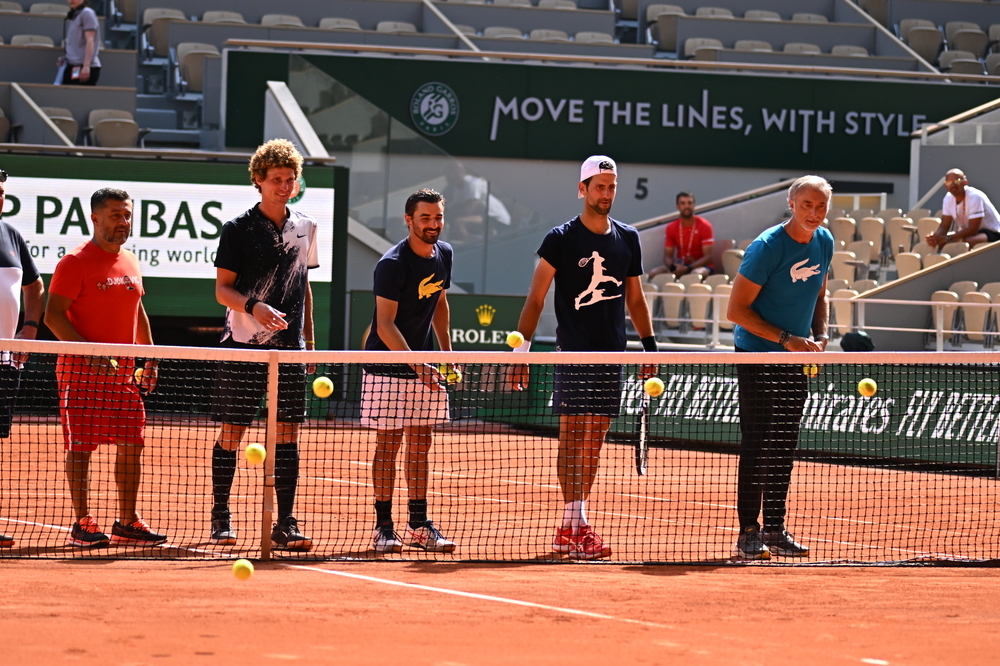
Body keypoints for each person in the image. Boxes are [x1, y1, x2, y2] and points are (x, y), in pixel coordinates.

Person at [510, 156, 656, 560]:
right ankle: (577, 522)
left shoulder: (628, 237)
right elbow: (536, 298)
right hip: (572, 351)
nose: (606, 193)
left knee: (595, 439)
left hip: (613, 354)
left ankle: (571, 527)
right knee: (573, 436)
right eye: (599, 186)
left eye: (611, 186)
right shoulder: (560, 238)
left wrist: (649, 348)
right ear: (583, 189)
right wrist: (521, 352)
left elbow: (637, 300)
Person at [209, 139, 316, 551]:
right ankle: (221, 516)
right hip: (243, 346)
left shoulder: (306, 228)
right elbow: (222, 290)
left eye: (290, 180)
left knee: (288, 433)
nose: (284, 187)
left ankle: (285, 522)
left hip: (290, 350)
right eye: (276, 180)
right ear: (258, 180)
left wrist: (309, 343)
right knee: (233, 432)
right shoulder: (236, 229)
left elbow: (304, 289)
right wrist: (254, 305)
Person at [44, 188, 164, 547]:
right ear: (95, 218)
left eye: (127, 215)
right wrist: (89, 352)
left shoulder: (131, 261)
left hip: (124, 377)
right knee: (80, 447)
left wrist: (151, 355)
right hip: (80, 376)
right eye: (115, 215)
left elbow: (136, 310)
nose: (123, 222)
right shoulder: (74, 262)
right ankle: (82, 521)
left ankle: (127, 522)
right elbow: (52, 315)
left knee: (132, 444)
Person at [727, 175, 834, 560]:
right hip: (757, 356)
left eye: (821, 206)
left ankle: (775, 529)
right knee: (756, 444)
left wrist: (821, 336)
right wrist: (787, 339)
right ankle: (748, 533)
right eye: (807, 205)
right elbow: (735, 311)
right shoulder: (767, 247)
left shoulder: (825, 241)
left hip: (794, 359)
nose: (814, 213)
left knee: (784, 445)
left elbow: (821, 295)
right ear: (791, 204)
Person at [362, 188, 457, 554]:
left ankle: (418, 525)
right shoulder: (392, 264)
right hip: (386, 367)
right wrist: (419, 365)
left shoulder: (444, 254)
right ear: (408, 219)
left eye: (437, 218)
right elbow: (385, 325)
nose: (433, 225)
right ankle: (384, 527)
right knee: (388, 445)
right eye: (425, 218)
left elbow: (440, 304)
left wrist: (446, 353)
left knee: (421, 444)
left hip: (424, 367)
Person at [0, 168, 45, 549]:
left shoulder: (11, 234)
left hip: (4, 359)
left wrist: (30, 327)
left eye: (1, 192)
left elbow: (34, 285)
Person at [925, 169, 1000, 250]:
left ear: (965, 182)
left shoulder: (975, 197)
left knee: (968, 241)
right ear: (945, 185)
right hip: (971, 233)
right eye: (949, 183)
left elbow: (973, 229)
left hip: (993, 232)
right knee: (940, 244)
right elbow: (944, 225)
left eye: (957, 181)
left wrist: (947, 238)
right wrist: (936, 237)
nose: (953, 185)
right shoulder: (948, 198)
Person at [648, 191, 715, 278]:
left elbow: (708, 257)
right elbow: (667, 255)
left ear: (694, 205)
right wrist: (673, 268)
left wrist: (688, 268)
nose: (686, 206)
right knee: (652, 273)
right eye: (683, 203)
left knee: (695, 275)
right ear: (677, 206)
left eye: (689, 203)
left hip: (700, 267)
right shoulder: (671, 227)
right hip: (680, 265)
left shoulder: (705, 225)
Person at [58, 0, 101, 86]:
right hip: (72, 65)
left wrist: (86, 66)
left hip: (84, 67)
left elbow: (90, 40)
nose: (71, 0)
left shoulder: (87, 13)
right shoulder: (74, 15)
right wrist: (67, 57)